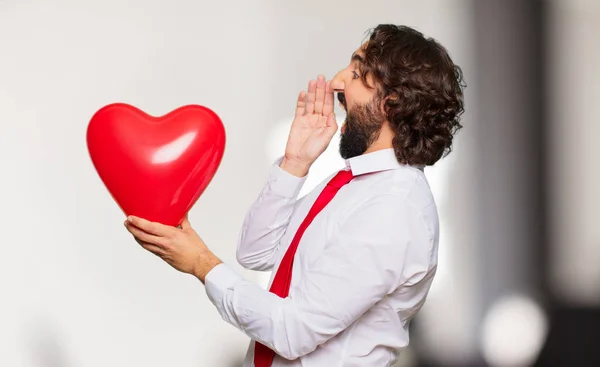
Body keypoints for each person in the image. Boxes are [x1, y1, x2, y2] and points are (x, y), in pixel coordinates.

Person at [124, 24, 465, 367]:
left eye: (358, 73)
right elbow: (255, 252)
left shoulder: (394, 209)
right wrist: (294, 163)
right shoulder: (354, 185)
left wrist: (200, 263)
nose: (336, 81)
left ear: (389, 104)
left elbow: (292, 331)